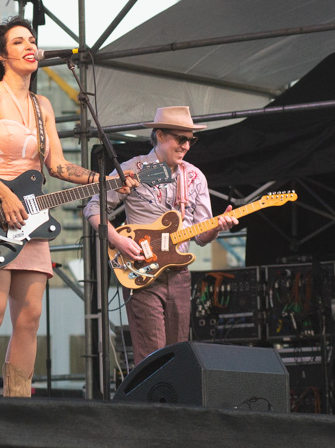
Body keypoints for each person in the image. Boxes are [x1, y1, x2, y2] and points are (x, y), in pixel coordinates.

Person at [0, 17, 131, 397]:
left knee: (30, 317)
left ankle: (17, 405)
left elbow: (58, 167)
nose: (29, 46)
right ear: (3, 55)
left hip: (31, 219)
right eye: (19, 42)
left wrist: (106, 181)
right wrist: (4, 193)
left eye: (32, 40)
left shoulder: (42, 105)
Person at [84, 106, 238, 366]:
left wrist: (217, 227)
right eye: (181, 139)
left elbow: (201, 236)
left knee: (178, 355)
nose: (187, 145)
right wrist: (119, 240)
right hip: (142, 271)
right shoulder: (133, 170)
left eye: (191, 139)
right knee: (151, 356)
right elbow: (93, 208)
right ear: (160, 135)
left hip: (179, 273)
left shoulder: (195, 177)